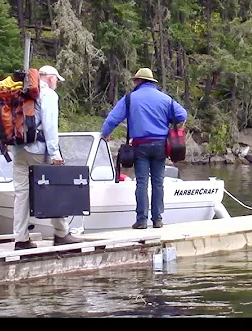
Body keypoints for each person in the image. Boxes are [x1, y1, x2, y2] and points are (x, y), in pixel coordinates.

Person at [100, 68, 188, 229]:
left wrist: (105, 134)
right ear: (152, 82)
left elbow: (113, 118)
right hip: (161, 146)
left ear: (139, 81)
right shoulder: (165, 98)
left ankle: (141, 220)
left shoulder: (130, 98)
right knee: (158, 182)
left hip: (140, 146)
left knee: (142, 182)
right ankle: (157, 219)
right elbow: (182, 114)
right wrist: (167, 118)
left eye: (135, 81)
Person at [12, 65, 83, 250]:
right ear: (50, 78)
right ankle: (61, 233)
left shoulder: (21, 91)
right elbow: (50, 125)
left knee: (21, 195)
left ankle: (21, 239)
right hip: (39, 150)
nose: (57, 83)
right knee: (54, 189)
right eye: (57, 80)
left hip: (19, 150)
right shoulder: (49, 95)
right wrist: (55, 153)